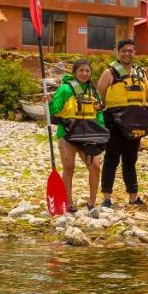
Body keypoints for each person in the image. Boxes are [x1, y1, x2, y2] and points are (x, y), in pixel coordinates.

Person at [96, 39, 148, 208]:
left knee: (130, 160)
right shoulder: (110, 72)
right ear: (118, 53)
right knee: (111, 158)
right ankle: (106, 197)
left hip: (134, 122)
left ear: (134, 53)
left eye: (130, 51)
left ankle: (133, 197)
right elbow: (99, 96)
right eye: (124, 51)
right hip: (114, 120)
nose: (127, 54)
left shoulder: (140, 73)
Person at [48, 59, 108, 210]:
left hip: (89, 134)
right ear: (74, 72)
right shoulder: (65, 89)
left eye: (87, 71)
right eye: (81, 70)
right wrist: (48, 102)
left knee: (95, 167)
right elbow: (54, 110)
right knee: (69, 167)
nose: (84, 73)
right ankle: (69, 202)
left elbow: (99, 113)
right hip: (67, 133)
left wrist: (101, 131)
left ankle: (92, 202)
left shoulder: (93, 91)